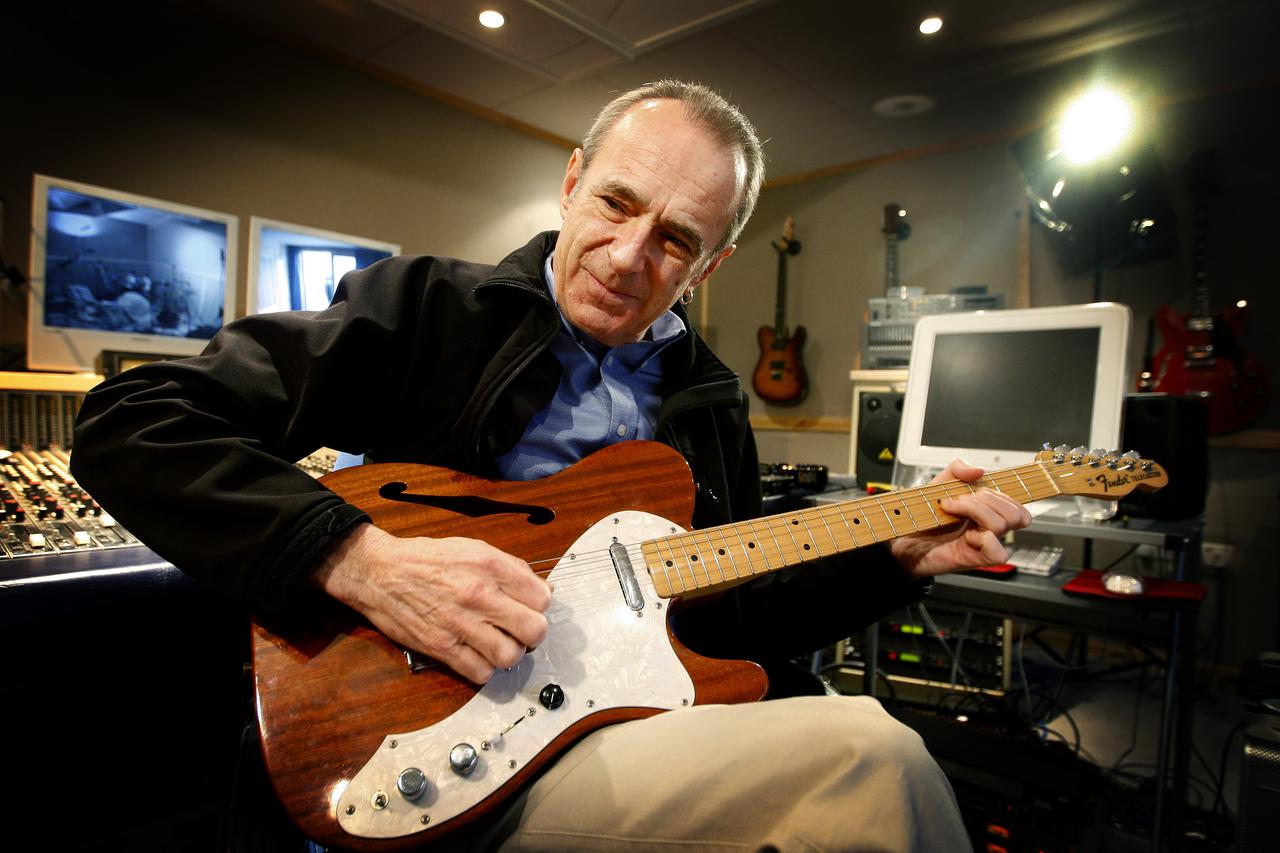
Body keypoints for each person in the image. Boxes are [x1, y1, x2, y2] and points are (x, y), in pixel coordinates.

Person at [72, 79, 1031, 852]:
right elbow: (135, 420)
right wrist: (362, 560)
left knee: (854, 747)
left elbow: (734, 616)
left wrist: (893, 560)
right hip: (436, 737)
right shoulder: (426, 310)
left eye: (676, 241)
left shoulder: (710, 399)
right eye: (616, 202)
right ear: (573, 181)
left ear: (711, 264)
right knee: (870, 758)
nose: (627, 256)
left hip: (634, 727)